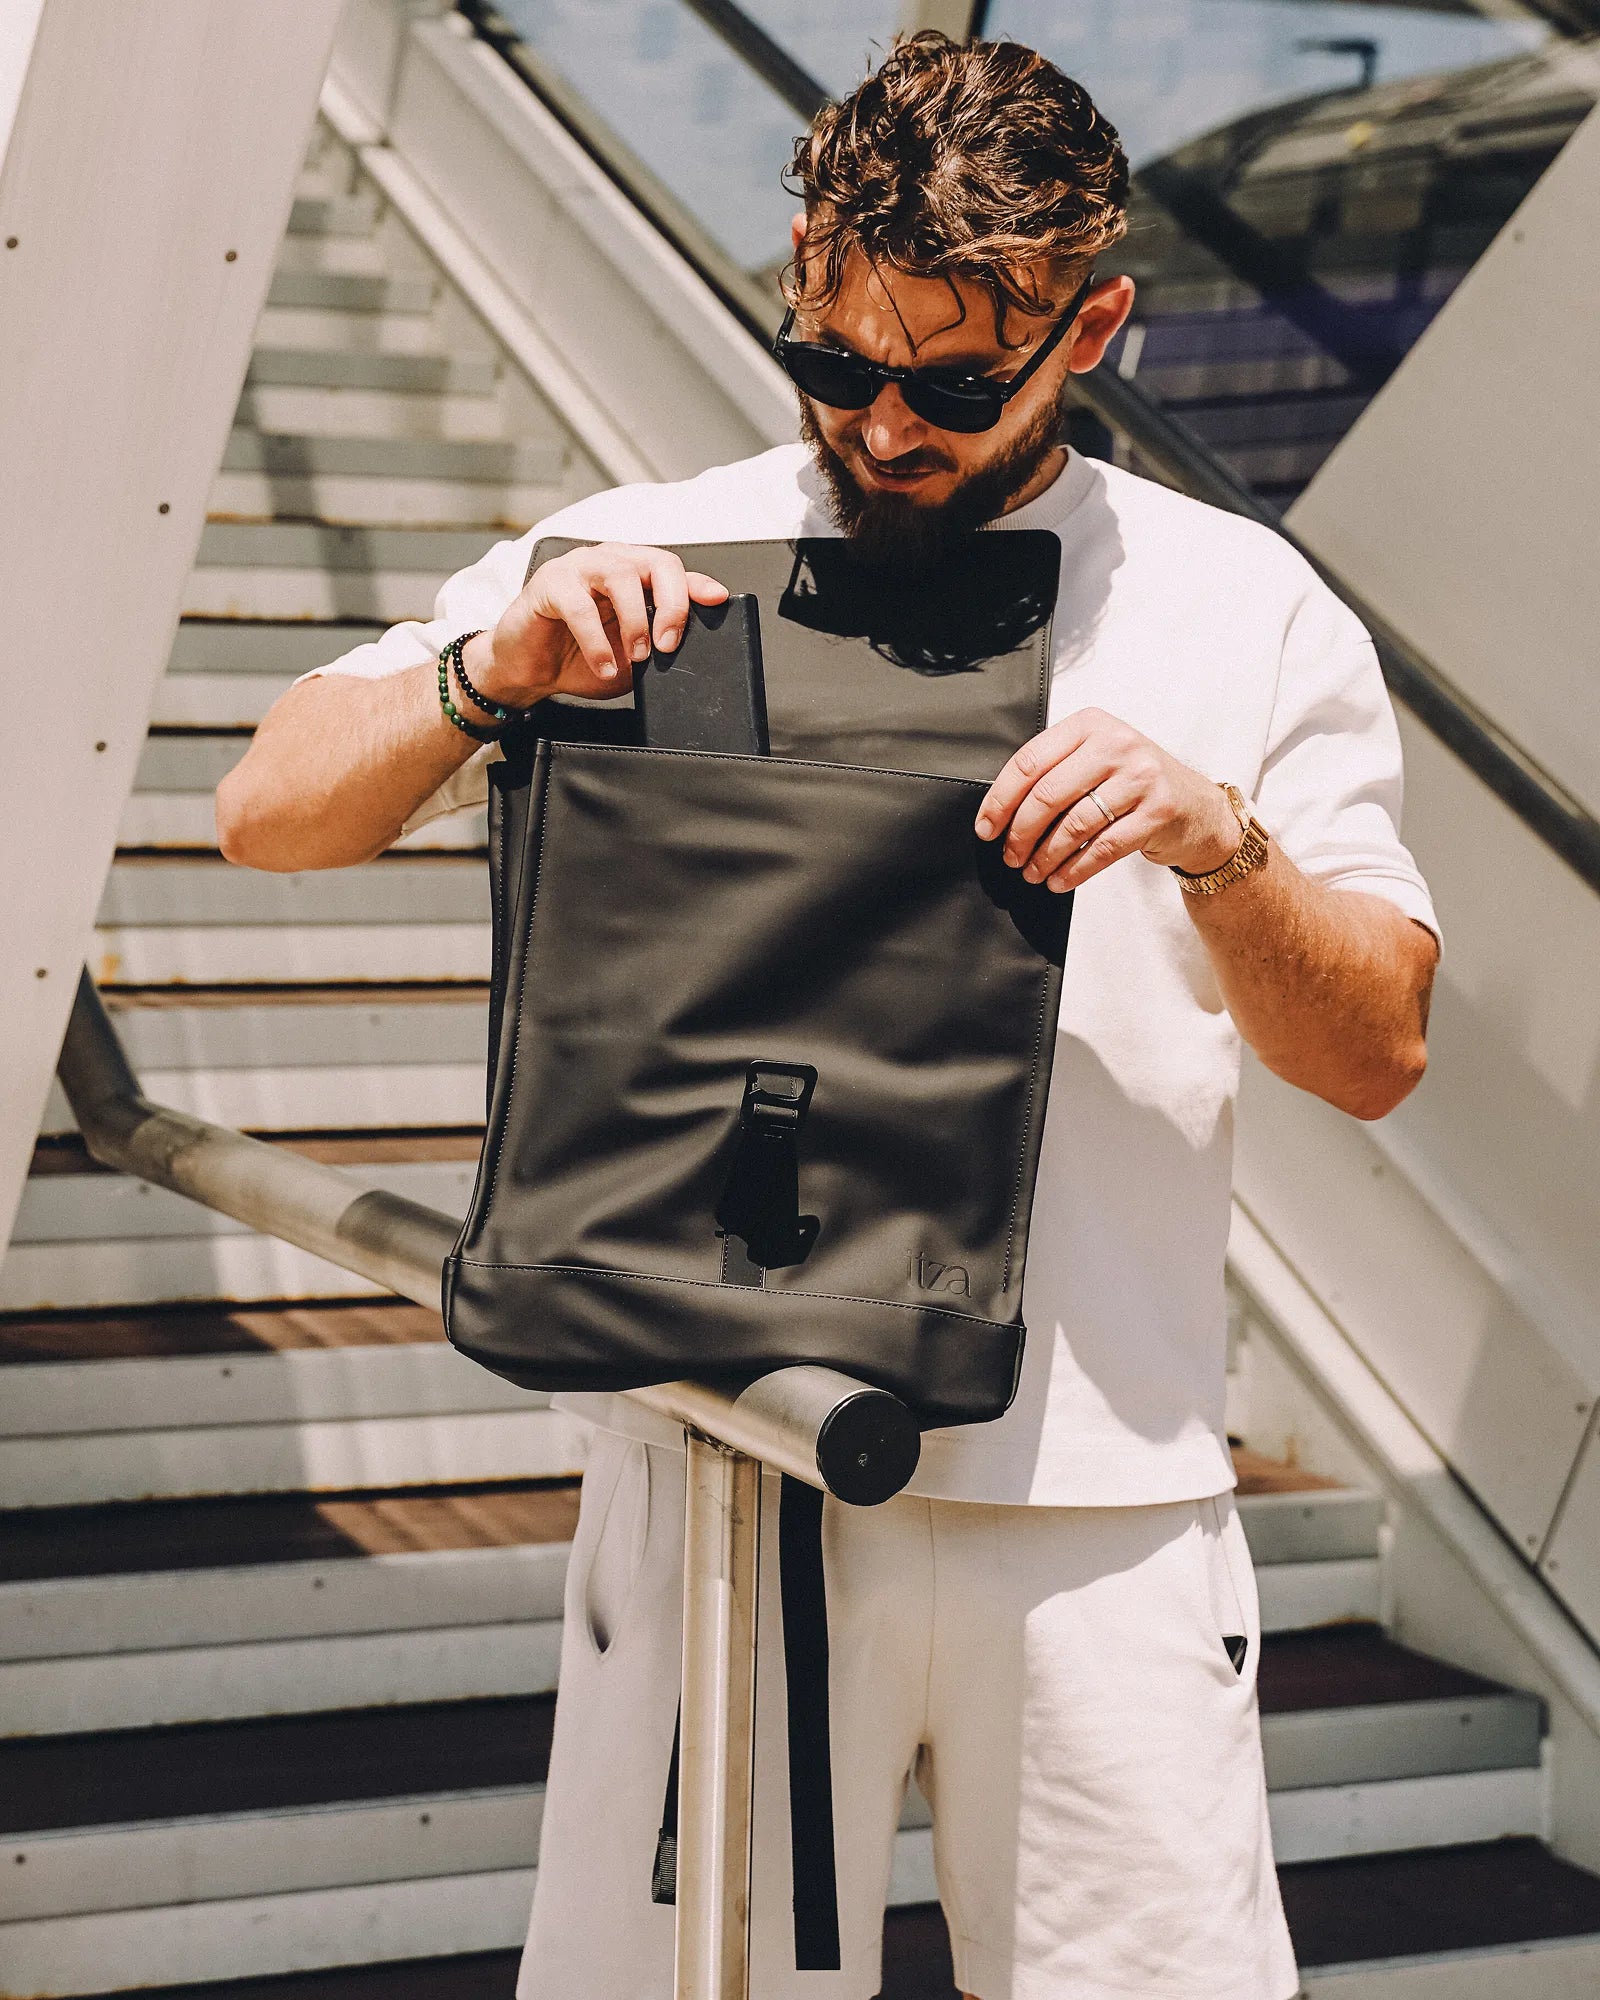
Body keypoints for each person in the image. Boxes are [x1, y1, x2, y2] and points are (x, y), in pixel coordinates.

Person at [217, 31, 1438, 2000]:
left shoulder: (1242, 607)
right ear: (795, 269)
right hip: (717, 1461)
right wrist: (484, 667)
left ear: (1094, 323)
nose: (880, 424)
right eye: (831, 360)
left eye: (952, 383)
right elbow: (265, 810)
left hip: (1097, 1515)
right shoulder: (642, 548)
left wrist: (1215, 847)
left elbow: (1371, 1046)